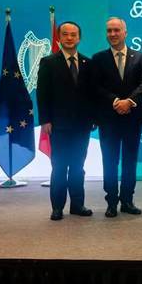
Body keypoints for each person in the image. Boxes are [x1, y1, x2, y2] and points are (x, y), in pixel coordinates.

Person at [91, 17, 142, 218]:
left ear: (125, 33)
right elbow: (96, 87)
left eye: (116, 30)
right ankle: (111, 202)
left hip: (133, 117)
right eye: (109, 31)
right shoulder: (98, 58)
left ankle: (127, 201)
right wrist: (116, 101)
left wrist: (128, 102)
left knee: (130, 161)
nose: (113, 34)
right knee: (110, 161)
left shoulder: (140, 56)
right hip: (108, 118)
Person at [37, 21, 94, 221]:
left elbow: (92, 95)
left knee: (78, 166)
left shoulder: (88, 63)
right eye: (65, 34)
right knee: (60, 167)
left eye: (73, 35)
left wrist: (93, 118)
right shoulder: (48, 62)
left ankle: (78, 205)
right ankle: (57, 207)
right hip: (58, 125)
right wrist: (45, 120)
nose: (69, 38)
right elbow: (42, 95)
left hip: (82, 126)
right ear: (59, 38)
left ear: (79, 38)